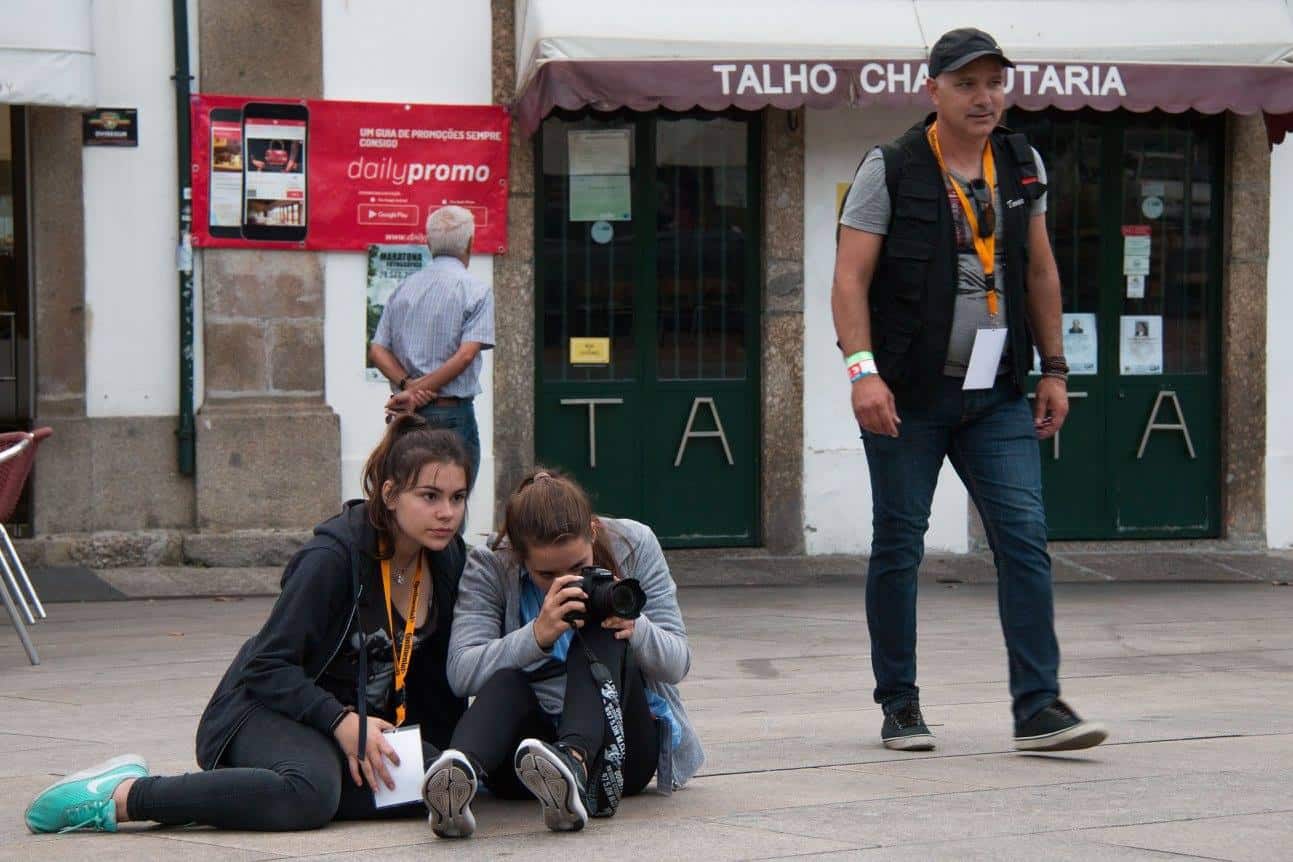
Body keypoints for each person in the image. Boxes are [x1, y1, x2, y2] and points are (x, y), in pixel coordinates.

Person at [831, 28, 1107, 753]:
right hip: (907, 397)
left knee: (1023, 541)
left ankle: (1038, 707)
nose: (983, 97)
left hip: (997, 396)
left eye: (993, 82)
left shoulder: (1021, 163)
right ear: (933, 92)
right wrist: (862, 373)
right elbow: (848, 279)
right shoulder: (887, 168)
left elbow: (1040, 271)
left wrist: (1054, 368)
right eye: (966, 84)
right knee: (899, 544)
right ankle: (899, 705)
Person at [25, 416, 474, 833]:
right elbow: (267, 666)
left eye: (457, 498)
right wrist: (339, 720)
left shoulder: (447, 560)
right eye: (429, 497)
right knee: (310, 792)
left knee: (438, 779)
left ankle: (272, 789)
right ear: (392, 495)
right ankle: (122, 796)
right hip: (263, 709)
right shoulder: (332, 560)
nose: (446, 513)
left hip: (349, 728)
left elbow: (435, 680)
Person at [418, 468, 702, 839]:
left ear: (593, 530)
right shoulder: (491, 563)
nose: (565, 582)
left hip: (615, 757)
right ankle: (458, 777)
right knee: (506, 678)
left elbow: (677, 662)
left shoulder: (634, 543)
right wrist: (537, 635)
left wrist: (635, 626)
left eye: (578, 567)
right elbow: (461, 672)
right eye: (546, 574)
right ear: (518, 556)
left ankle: (574, 764)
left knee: (605, 628)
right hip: (524, 762)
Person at [369, 205, 495, 490]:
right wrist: (415, 392)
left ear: (428, 243)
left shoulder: (404, 288)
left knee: (408, 503)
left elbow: (377, 350)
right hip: (452, 416)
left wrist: (408, 387)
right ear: (470, 243)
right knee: (449, 509)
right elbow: (465, 356)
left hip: (407, 416)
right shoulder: (476, 291)